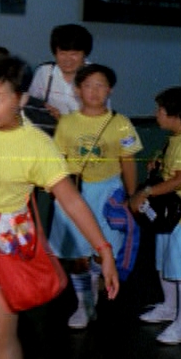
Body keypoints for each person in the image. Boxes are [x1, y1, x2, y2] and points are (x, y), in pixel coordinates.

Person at [0, 54, 120, 359]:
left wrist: (104, 250)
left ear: (21, 98)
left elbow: (71, 201)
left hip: (4, 241)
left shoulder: (35, 145)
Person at [49, 63, 143, 329]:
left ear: (109, 90)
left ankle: (94, 287)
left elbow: (128, 160)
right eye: (88, 85)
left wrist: (131, 194)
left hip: (109, 193)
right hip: (76, 192)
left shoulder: (120, 123)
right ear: (78, 90)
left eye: (100, 85)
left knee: (104, 250)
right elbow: (58, 159)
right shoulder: (67, 123)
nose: (93, 91)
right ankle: (84, 304)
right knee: (77, 253)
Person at [128, 86, 181, 345]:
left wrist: (147, 192)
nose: (156, 114)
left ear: (176, 114)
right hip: (171, 219)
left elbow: (180, 181)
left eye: (160, 110)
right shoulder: (175, 138)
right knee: (166, 265)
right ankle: (170, 308)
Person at [28, 23, 93, 119]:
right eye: (62, 53)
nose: (67, 59)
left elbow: (100, 117)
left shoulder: (95, 75)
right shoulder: (45, 72)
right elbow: (30, 105)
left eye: (74, 54)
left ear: (85, 54)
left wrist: (63, 120)